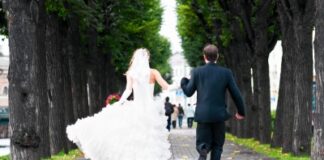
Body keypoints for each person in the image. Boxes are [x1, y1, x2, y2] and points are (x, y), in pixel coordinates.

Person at [66, 48, 172, 160]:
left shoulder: (131, 73)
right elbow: (166, 86)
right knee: (150, 140)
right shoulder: (153, 73)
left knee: (133, 139)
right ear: (147, 59)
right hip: (150, 110)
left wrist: (120, 103)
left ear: (134, 59)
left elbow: (128, 91)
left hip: (136, 109)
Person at [181, 44, 245, 160]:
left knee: (202, 144)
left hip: (203, 116)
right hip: (219, 116)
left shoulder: (197, 72)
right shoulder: (226, 73)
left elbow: (188, 92)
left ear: (204, 56)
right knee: (217, 146)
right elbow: (236, 94)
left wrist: (184, 81)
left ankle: (203, 150)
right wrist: (241, 112)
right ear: (217, 56)